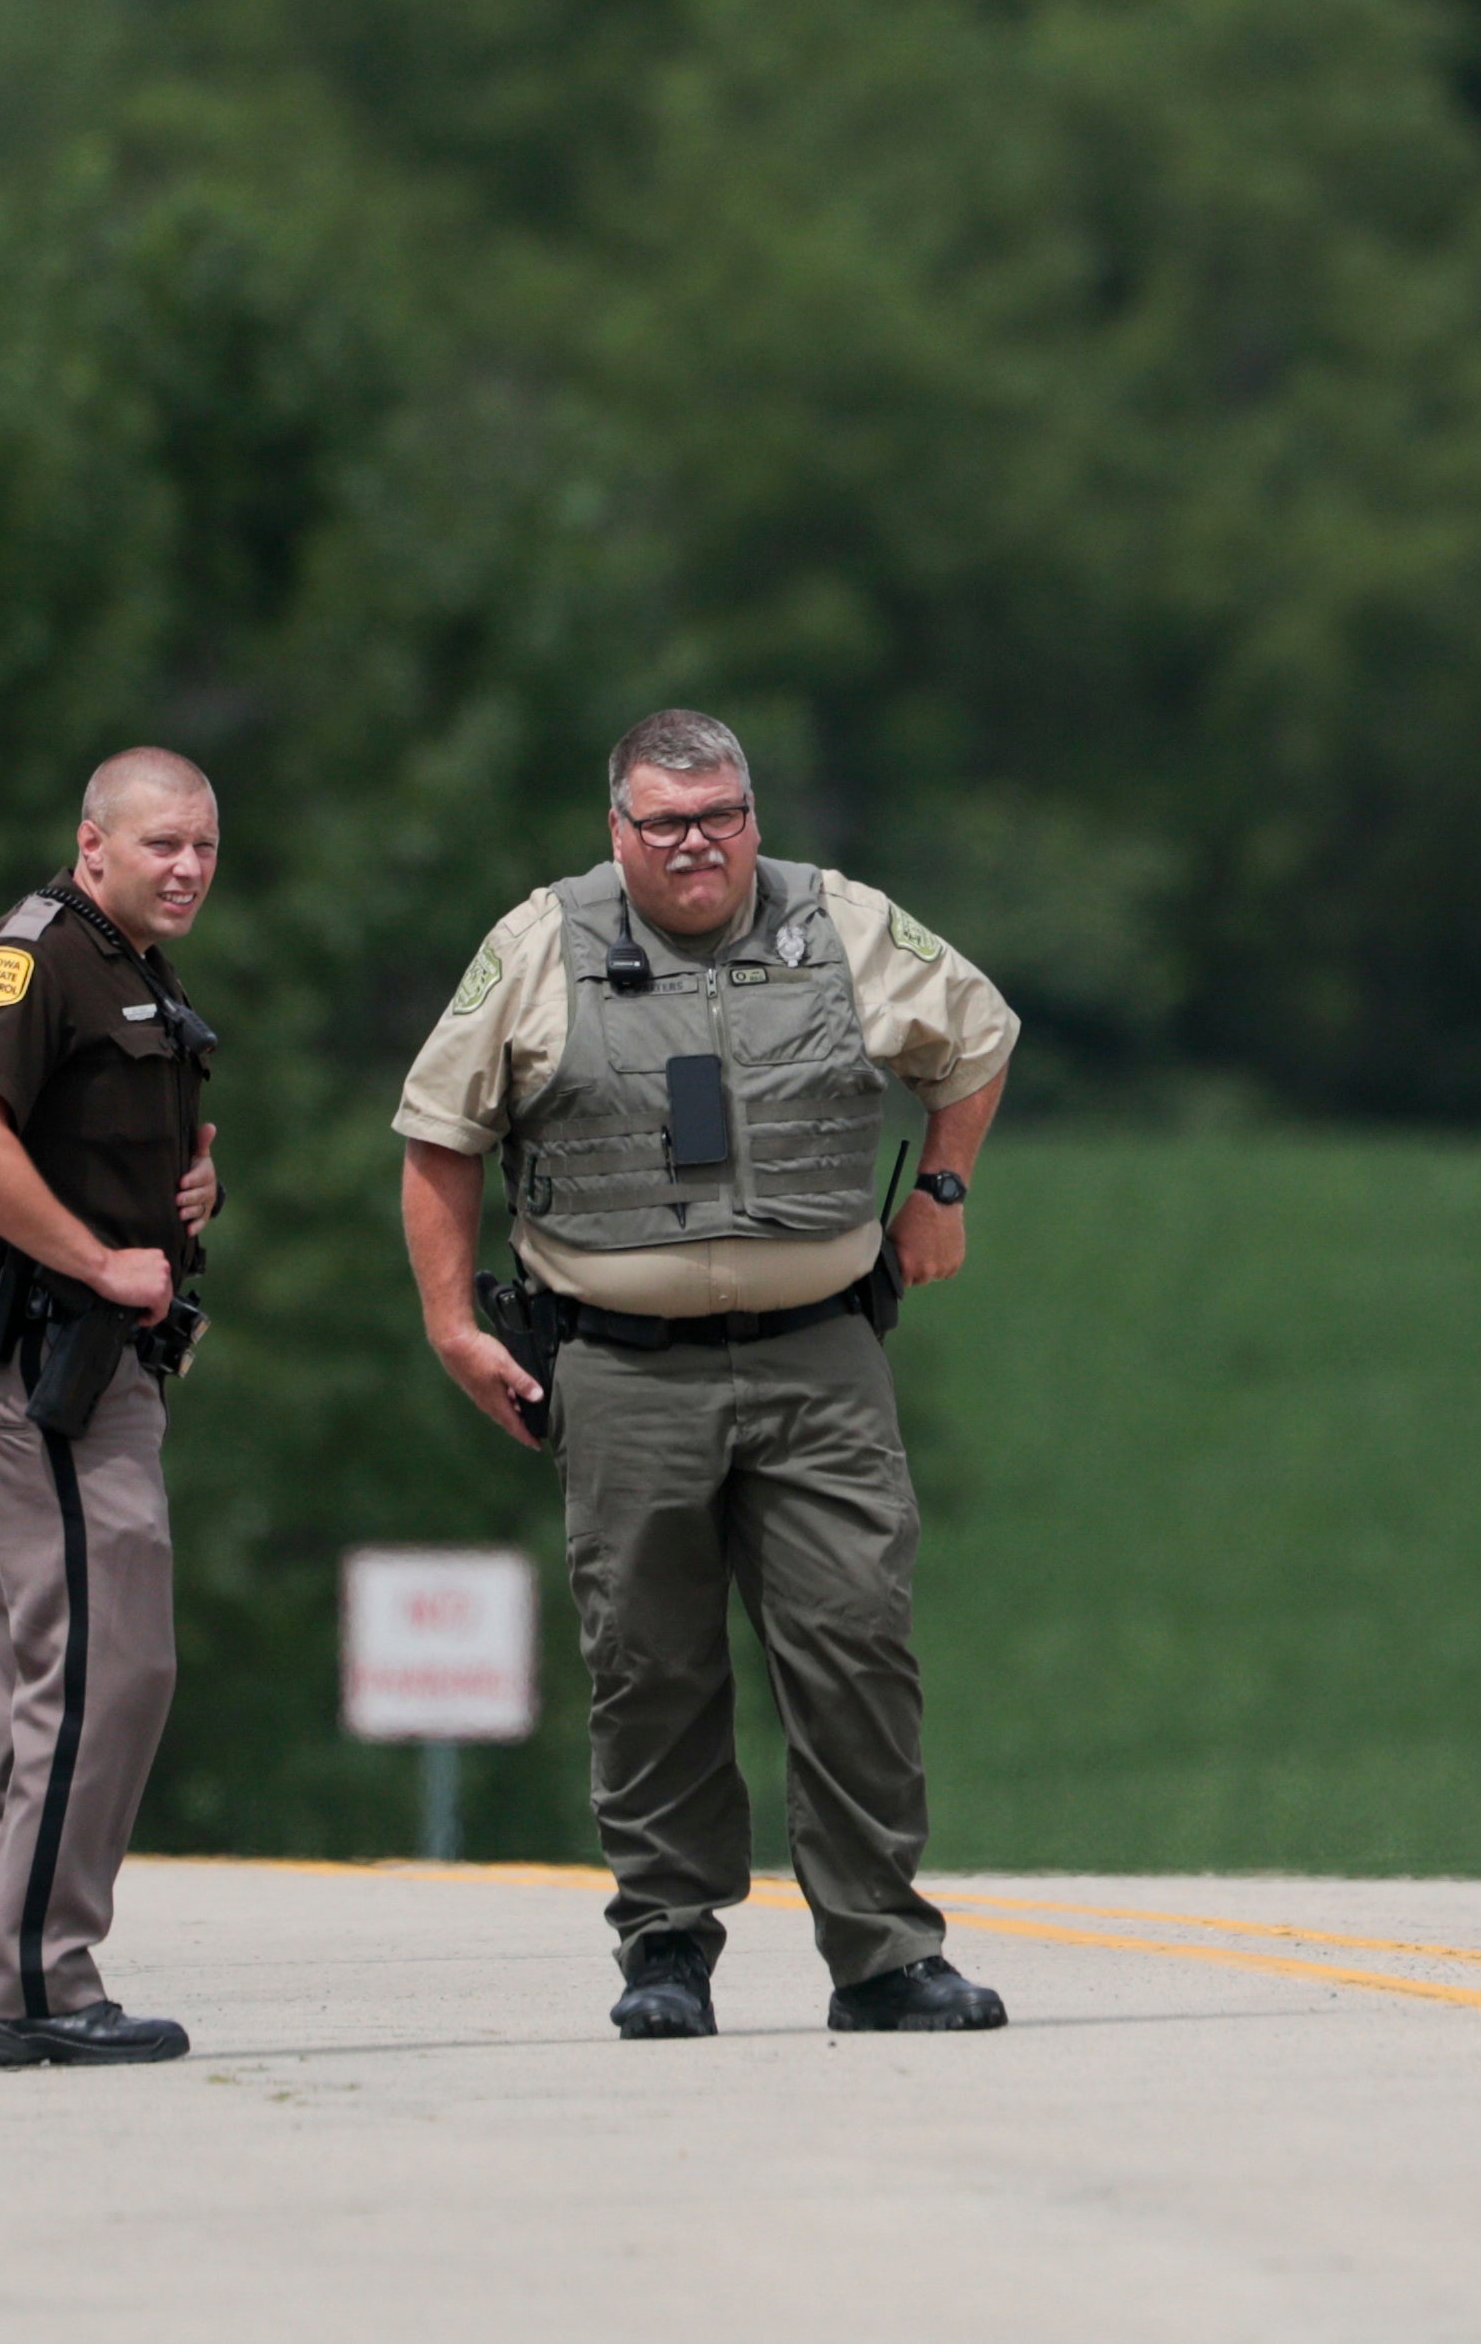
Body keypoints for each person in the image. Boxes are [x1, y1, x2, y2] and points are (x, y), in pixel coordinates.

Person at [395, 709, 1016, 2038]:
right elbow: (440, 1133)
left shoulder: (839, 923)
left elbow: (978, 1035)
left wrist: (944, 1190)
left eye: (721, 816)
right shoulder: (538, 944)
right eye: (666, 821)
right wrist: (454, 1324)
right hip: (622, 1369)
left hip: (822, 1351)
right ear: (615, 829)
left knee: (855, 1641)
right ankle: (666, 1947)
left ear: (754, 816)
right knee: (651, 1659)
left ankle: (885, 1955)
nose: (698, 845)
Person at [0, 748, 225, 2069]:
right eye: (162, 844)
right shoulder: (36, 951)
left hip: (102, 1363)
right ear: (91, 842)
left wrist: (184, 1197)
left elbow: (92, 1135)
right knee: (104, 1662)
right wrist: (100, 1260)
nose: (188, 867)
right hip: (41, 1364)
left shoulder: (133, 964)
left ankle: (15, 1975)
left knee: (41, 1672)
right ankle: (41, 1982)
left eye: (205, 846)